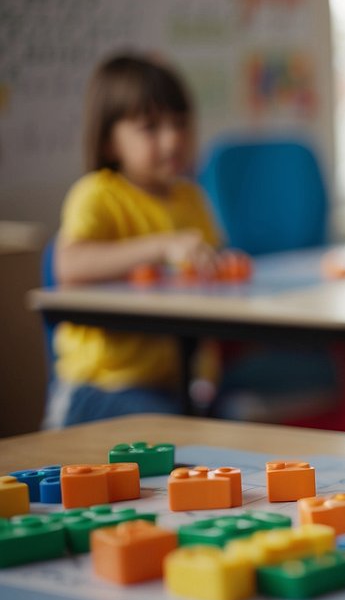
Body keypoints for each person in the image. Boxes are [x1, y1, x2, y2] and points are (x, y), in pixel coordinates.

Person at [45, 53, 221, 428]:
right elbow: (68, 265)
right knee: (181, 429)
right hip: (99, 389)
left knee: (234, 427)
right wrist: (162, 246)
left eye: (180, 124)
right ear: (110, 142)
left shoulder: (191, 198)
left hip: (179, 385)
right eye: (150, 127)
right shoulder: (97, 194)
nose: (172, 139)